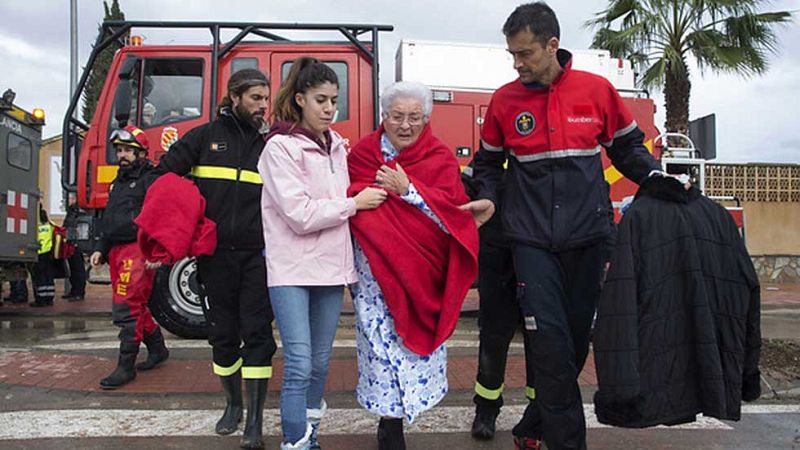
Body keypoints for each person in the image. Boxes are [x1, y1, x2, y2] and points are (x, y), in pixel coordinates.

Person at [461, 3, 667, 449]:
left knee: (572, 346)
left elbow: (628, 149)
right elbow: (488, 165)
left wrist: (654, 177)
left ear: (552, 45)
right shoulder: (504, 101)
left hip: (589, 240)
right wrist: (489, 198)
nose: (517, 63)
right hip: (530, 243)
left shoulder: (596, 91)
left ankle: (532, 427)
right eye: (512, 54)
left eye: (526, 53)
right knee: (550, 343)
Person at [258, 57, 386, 450]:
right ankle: (294, 443)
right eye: (320, 100)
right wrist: (354, 204)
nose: (330, 108)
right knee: (298, 363)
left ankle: (310, 434)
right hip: (292, 270)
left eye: (334, 100)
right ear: (299, 100)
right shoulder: (279, 148)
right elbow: (299, 214)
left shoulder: (337, 147)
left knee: (320, 362)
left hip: (331, 270)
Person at [347, 81, 479, 450]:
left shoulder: (438, 156)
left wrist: (409, 191)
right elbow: (348, 197)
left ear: (426, 120)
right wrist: (361, 199)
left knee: (410, 348)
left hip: (421, 274)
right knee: (378, 346)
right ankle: (389, 424)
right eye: (397, 117)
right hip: (373, 273)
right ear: (383, 116)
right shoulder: (361, 154)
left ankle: (404, 414)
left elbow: (454, 218)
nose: (405, 126)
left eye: (414, 118)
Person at [155, 68, 276, 449]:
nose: (262, 106)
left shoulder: (271, 144)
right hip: (215, 257)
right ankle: (233, 403)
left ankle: (254, 422)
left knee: (258, 335)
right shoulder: (205, 138)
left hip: (258, 256)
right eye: (255, 98)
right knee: (223, 337)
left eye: (265, 99)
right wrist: (188, 218)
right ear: (235, 97)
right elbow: (163, 177)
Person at [462, 161, 538, 442]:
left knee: (540, 336)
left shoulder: (542, 144)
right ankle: (486, 409)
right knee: (494, 334)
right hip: (497, 253)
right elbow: (466, 186)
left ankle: (539, 410)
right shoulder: (492, 151)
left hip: (539, 251)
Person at [89, 125, 169, 390]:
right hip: (117, 251)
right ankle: (158, 349)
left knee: (126, 307)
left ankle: (126, 367)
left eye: (128, 151)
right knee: (135, 305)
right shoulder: (118, 182)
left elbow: (161, 216)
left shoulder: (150, 179)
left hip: (137, 249)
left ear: (142, 153)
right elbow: (109, 219)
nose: (122, 155)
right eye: (120, 150)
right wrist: (100, 247)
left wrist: (158, 251)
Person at [29, 205, 55, 307]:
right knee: (48, 276)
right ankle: (49, 298)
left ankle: (40, 299)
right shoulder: (49, 226)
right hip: (48, 253)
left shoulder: (35, 226)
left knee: (39, 278)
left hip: (38, 253)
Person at [62, 193, 86, 301]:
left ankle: (79, 292)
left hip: (76, 243)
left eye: (71, 198)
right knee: (72, 268)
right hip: (70, 243)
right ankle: (74, 290)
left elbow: (75, 226)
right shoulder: (71, 211)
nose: (69, 200)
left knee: (78, 269)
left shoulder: (77, 211)